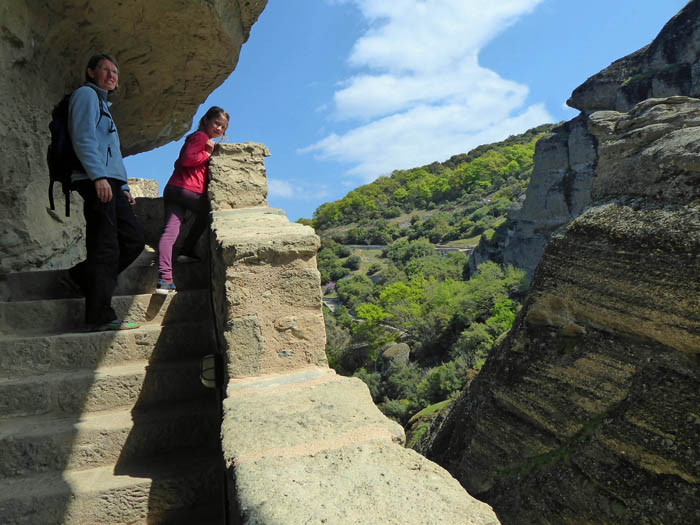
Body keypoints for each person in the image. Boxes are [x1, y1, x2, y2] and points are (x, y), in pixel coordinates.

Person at [64, 53, 145, 330]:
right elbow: (83, 137)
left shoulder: (103, 104)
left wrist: (122, 185)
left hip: (110, 181)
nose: (112, 76)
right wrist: (98, 176)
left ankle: (79, 277)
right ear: (91, 72)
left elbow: (114, 153)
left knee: (133, 240)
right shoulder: (86, 96)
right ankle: (100, 315)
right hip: (94, 178)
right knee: (105, 246)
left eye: (115, 72)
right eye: (105, 70)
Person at [155, 106, 229, 294]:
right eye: (217, 123)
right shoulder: (201, 138)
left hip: (173, 189)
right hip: (186, 190)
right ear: (206, 120)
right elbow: (188, 159)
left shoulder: (195, 138)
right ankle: (187, 250)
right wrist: (207, 154)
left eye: (223, 127)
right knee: (209, 213)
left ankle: (165, 279)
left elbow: (178, 163)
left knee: (170, 233)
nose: (219, 129)